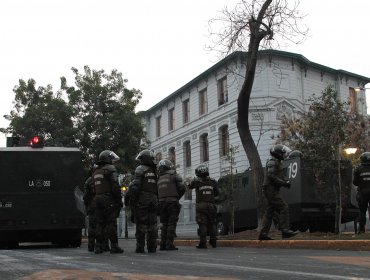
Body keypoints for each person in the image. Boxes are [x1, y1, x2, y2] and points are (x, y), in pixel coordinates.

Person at [258, 144, 298, 240]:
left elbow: (279, 175)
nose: (285, 154)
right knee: (284, 207)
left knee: (270, 211)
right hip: (270, 190)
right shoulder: (272, 162)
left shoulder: (278, 162)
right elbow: (271, 176)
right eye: (283, 153)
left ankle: (263, 234)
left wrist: (285, 181)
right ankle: (285, 230)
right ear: (278, 154)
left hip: (272, 190)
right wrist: (284, 183)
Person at [92, 150, 124, 254]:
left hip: (97, 199)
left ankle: (98, 246)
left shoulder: (96, 171)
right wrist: (119, 199)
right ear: (107, 159)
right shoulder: (110, 169)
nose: (113, 161)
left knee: (100, 223)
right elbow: (115, 185)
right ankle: (114, 246)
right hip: (108, 199)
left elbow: (93, 188)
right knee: (111, 223)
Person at [129, 149, 159, 253]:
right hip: (154, 199)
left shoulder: (140, 169)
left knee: (141, 223)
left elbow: (136, 187)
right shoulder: (155, 171)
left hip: (143, 199)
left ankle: (140, 247)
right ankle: (152, 247)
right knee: (153, 224)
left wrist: (133, 201)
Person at [189, 164, 220, 249]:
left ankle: (203, 243)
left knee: (202, 224)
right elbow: (217, 193)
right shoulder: (213, 181)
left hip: (201, 205)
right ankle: (213, 242)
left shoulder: (196, 181)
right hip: (211, 205)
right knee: (212, 223)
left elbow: (189, 186)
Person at [157, 159, 185, 250]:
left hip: (161, 203)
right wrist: (176, 197)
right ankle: (169, 244)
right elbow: (182, 188)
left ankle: (162, 244)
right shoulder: (174, 174)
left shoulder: (159, 178)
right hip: (172, 202)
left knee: (164, 224)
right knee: (171, 223)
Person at [83, 164, 110, 252]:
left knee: (92, 226)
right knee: (103, 225)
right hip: (102, 205)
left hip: (92, 206)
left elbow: (85, 196)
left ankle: (91, 246)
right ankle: (103, 245)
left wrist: (88, 205)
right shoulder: (104, 179)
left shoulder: (89, 181)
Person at [353, 152, 370, 234]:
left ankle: (362, 230)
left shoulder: (358, 169)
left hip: (363, 193)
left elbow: (355, 182)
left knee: (362, 211)